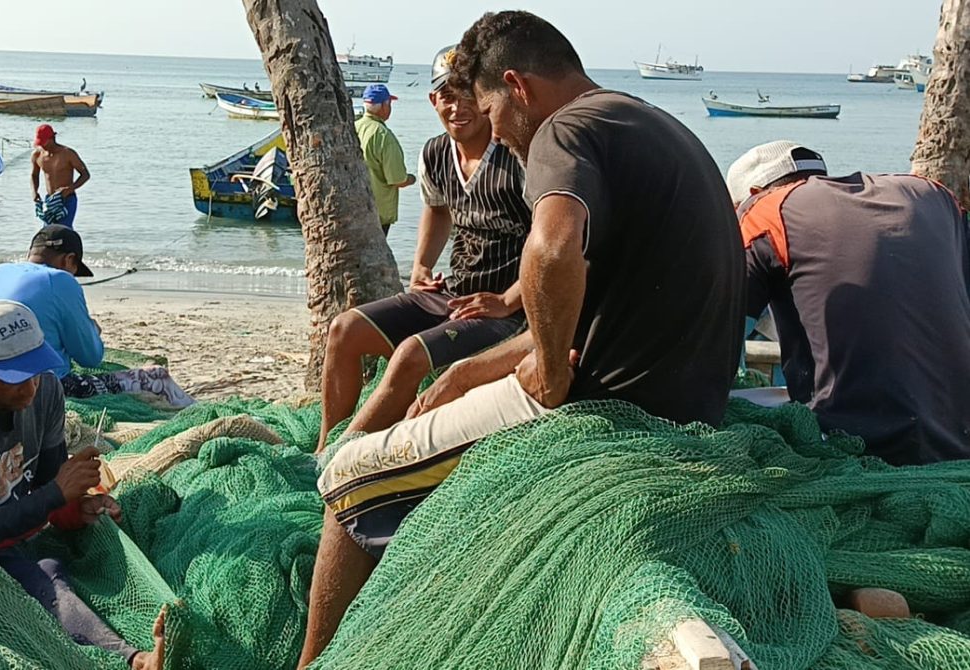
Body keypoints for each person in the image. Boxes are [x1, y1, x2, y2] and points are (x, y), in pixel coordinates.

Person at [297, 12, 745, 667]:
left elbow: (554, 247)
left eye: (491, 113)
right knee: (445, 391)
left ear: (517, 86)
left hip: (615, 411)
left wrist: (542, 381)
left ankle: (313, 662)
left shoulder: (563, 130)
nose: (500, 138)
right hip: (689, 400)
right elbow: (581, 309)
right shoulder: (644, 121)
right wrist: (471, 372)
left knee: (350, 475)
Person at [0, 301, 167, 669]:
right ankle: (132, 660)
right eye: (15, 376)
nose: (31, 386)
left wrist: (75, 505)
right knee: (46, 578)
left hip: (19, 527)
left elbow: (46, 480)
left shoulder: (46, 392)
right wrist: (55, 494)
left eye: (36, 369)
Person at [315, 45, 532, 453]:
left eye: (468, 94)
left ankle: (345, 455)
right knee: (344, 330)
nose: (458, 106)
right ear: (433, 100)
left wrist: (508, 299)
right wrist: (420, 266)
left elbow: (556, 244)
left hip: (506, 310)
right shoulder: (435, 153)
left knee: (411, 354)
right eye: (447, 95)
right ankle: (324, 445)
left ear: (486, 97)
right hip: (452, 294)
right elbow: (436, 209)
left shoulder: (517, 156)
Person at [727, 140, 970, 465]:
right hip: (959, 439)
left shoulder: (765, 213)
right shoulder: (934, 196)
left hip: (854, 445)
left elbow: (716, 346)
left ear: (754, 193)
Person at [0, 225, 195, 408]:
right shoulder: (59, 280)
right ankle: (194, 411)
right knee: (156, 376)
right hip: (37, 386)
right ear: (69, 260)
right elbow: (90, 357)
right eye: (75, 269)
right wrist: (93, 332)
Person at [355, 83, 416, 235]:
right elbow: (398, 179)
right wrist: (412, 178)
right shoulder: (384, 136)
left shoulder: (352, 127)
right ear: (384, 106)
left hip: (354, 209)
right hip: (377, 214)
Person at [31, 124, 89, 228]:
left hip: (67, 199)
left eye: (44, 142)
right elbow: (34, 175)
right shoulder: (37, 155)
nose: (42, 146)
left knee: (64, 230)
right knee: (48, 232)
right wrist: (35, 192)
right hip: (50, 200)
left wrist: (70, 189)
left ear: (52, 138)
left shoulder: (68, 153)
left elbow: (85, 175)